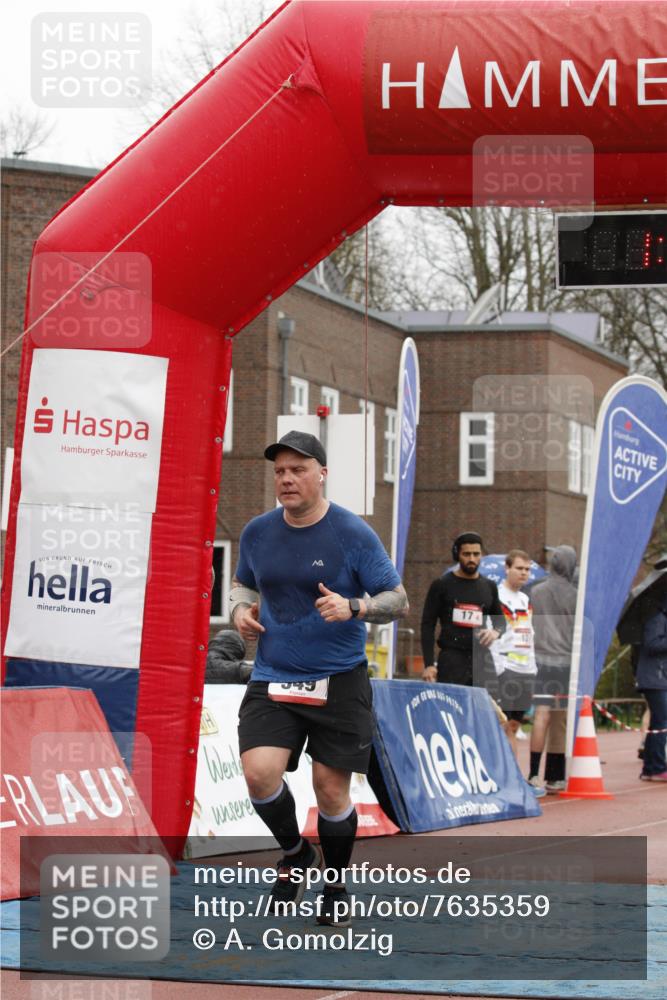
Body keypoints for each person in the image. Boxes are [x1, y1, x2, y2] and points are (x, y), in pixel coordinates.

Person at [231, 430, 408, 925]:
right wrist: (240, 608)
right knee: (258, 773)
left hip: (339, 679)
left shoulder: (352, 533)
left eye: (298, 470)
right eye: (280, 472)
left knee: (331, 790)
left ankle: (335, 883)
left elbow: (397, 600)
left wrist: (356, 605)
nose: (287, 479)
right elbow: (242, 580)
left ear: (321, 474)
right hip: (274, 675)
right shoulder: (257, 532)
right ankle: (296, 852)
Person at [421, 531, 505, 688]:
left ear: (481, 555)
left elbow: (501, 621)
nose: (472, 559)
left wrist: (495, 632)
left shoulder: (489, 586)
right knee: (453, 708)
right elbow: (427, 625)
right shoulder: (441, 585)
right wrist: (429, 664)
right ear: (457, 555)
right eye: (466, 554)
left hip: (482, 660)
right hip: (452, 658)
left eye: (476, 554)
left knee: (488, 710)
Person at [529, 545, 577, 794]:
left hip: (540, 660)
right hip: (565, 662)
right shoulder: (575, 595)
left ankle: (533, 772)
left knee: (541, 716)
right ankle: (556, 776)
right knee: (560, 720)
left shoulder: (536, 591)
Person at [489, 550, 539, 760]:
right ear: (507, 569)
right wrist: (498, 668)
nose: (524, 573)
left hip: (526, 670)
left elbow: (529, 632)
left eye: (527, 569)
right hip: (505, 668)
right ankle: (507, 775)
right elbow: (492, 633)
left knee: (515, 725)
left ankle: (515, 778)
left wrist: (533, 666)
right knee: (504, 725)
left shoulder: (525, 599)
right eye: (519, 568)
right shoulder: (497, 596)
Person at [636, 599, 667, 781]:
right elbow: (652, 643)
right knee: (662, 723)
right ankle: (656, 767)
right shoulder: (656, 617)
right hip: (654, 678)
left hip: (659, 676)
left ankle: (650, 767)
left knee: (658, 722)